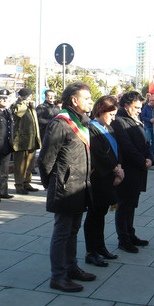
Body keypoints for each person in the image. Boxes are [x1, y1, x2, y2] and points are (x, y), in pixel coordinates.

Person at [39, 82, 96, 293]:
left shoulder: (82, 123)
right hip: (65, 187)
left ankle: (72, 268)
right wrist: (52, 185)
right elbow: (45, 160)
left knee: (73, 230)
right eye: (87, 98)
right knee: (62, 232)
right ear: (74, 100)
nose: (91, 101)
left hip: (80, 186)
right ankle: (58, 276)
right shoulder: (60, 123)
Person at [84, 96, 124, 266]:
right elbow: (99, 153)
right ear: (101, 111)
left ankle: (101, 247)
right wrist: (116, 169)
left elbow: (117, 148)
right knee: (94, 215)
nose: (113, 118)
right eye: (111, 114)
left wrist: (119, 166)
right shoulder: (92, 128)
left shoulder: (107, 128)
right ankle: (91, 251)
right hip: (99, 178)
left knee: (101, 215)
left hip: (110, 176)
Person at [111, 91, 153, 253]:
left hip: (138, 170)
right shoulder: (119, 121)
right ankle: (123, 239)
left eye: (140, 107)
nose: (139, 110)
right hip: (128, 171)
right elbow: (127, 147)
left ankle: (131, 234)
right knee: (124, 205)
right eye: (136, 107)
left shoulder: (133, 119)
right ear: (126, 106)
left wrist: (149, 157)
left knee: (131, 205)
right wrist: (143, 161)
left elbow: (145, 143)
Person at [11, 88, 41, 194]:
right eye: (28, 96)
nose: (30, 98)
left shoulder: (30, 106)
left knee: (29, 164)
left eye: (30, 96)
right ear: (22, 96)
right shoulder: (17, 105)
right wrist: (24, 103)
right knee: (20, 165)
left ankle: (27, 182)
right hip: (21, 140)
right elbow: (18, 113)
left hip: (31, 139)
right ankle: (19, 185)